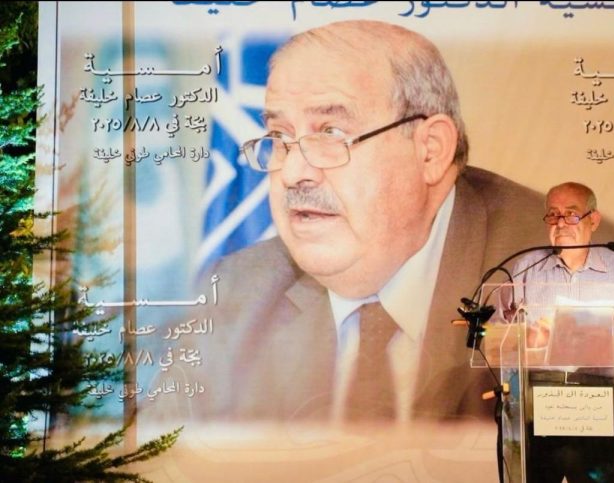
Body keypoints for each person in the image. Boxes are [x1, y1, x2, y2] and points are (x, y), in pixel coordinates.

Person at [177, 19, 546, 423]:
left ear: (430, 151)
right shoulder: (234, 293)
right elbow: (160, 449)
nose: (293, 172)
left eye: (331, 133)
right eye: (279, 137)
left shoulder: (552, 271)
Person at [508, 182, 614, 483]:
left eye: (571, 214)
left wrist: (573, 343)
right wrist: (530, 339)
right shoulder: (525, 267)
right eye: (553, 214)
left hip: (603, 397)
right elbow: (503, 338)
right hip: (540, 400)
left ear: (593, 220)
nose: (561, 223)